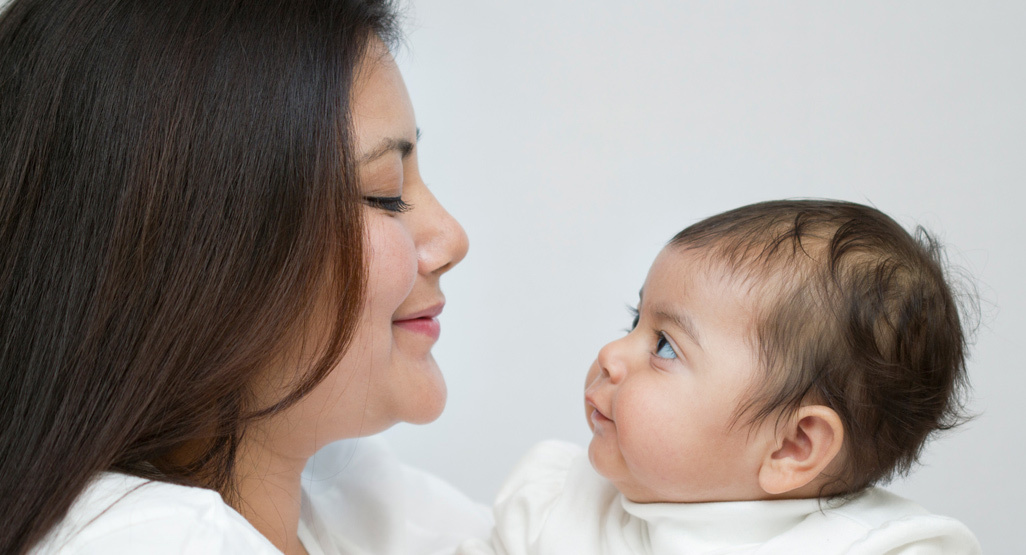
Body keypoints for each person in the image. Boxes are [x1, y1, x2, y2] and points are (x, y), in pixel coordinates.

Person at [0, 0, 486, 553]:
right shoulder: (155, 541)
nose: (452, 238)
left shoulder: (359, 500)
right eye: (386, 191)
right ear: (194, 254)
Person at [459, 200, 982, 554]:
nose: (612, 353)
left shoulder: (875, 547)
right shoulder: (556, 505)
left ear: (793, 445)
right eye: (633, 321)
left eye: (664, 346)